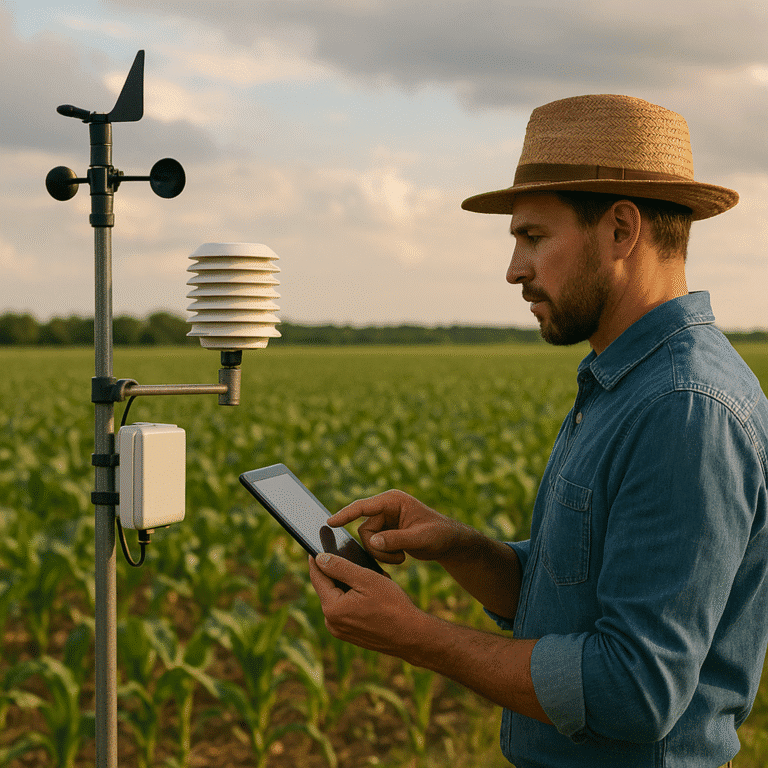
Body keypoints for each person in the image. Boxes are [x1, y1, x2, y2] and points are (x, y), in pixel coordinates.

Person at [308, 94, 768, 767]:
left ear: (620, 230)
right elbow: (580, 601)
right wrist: (461, 547)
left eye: (533, 237)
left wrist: (415, 635)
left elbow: (635, 690)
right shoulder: (621, 383)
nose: (514, 269)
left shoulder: (682, 407)